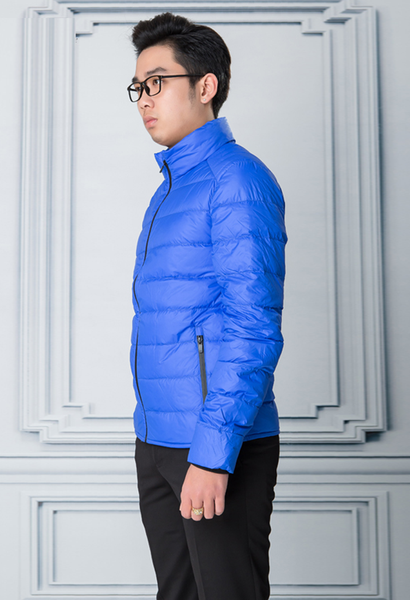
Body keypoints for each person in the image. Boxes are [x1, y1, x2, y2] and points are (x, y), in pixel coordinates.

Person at [128, 13, 287, 600]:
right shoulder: (172, 186)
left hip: (216, 447)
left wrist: (214, 458)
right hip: (160, 441)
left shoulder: (237, 181)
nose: (144, 100)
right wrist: (154, 444)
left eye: (157, 82)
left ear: (206, 85)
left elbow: (253, 328)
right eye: (137, 87)